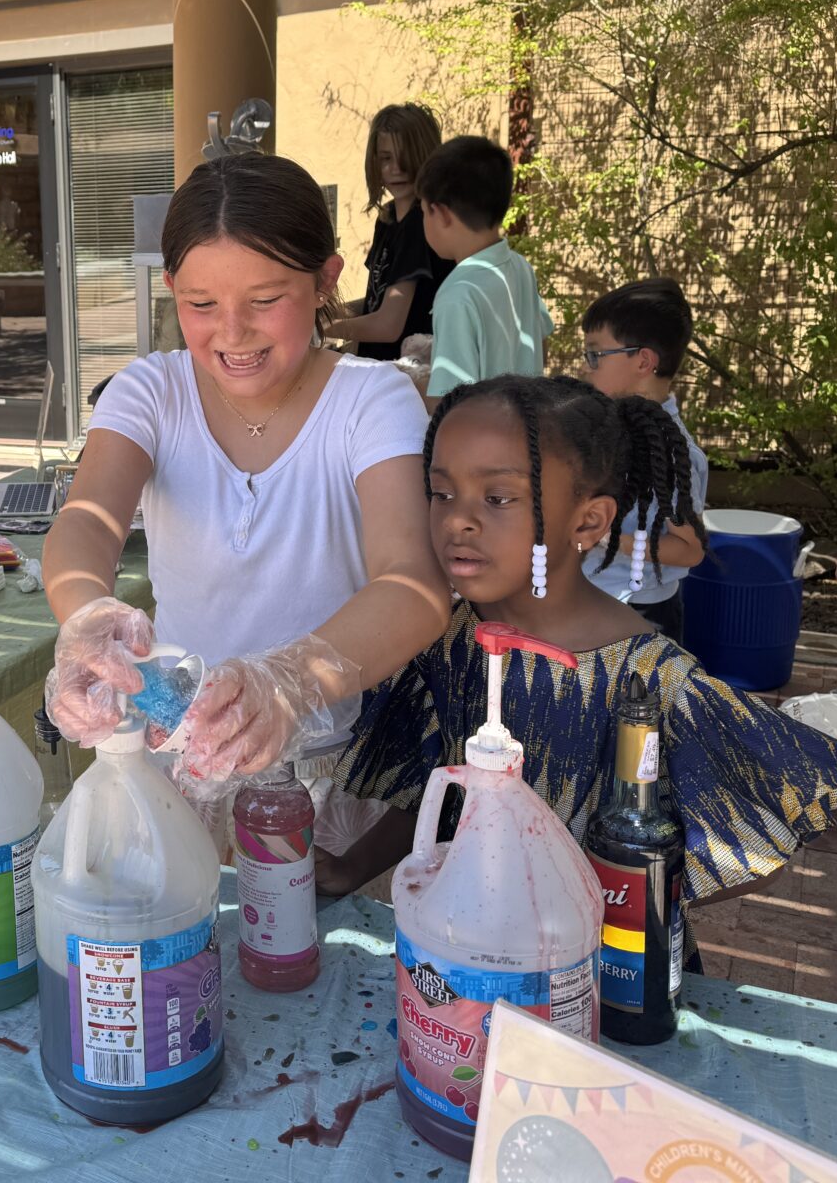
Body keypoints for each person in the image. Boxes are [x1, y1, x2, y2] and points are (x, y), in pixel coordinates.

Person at [314, 376, 837, 912]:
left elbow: (747, 849)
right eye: (441, 492)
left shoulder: (649, 681)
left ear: (588, 521)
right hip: (465, 961)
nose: (458, 519)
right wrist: (347, 869)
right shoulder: (448, 646)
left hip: (600, 987)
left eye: (498, 498)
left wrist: (604, 902)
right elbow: (437, 801)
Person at [42, 151, 450, 791]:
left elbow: (415, 587)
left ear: (324, 280)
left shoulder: (370, 400)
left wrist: (287, 682)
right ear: (172, 288)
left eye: (264, 299)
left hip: (326, 759)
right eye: (202, 303)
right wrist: (86, 613)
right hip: (172, 745)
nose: (232, 333)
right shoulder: (152, 392)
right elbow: (88, 520)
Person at [579, 278, 708, 643]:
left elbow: (690, 549)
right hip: (591, 598)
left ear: (644, 361)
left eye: (595, 354)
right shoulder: (607, 424)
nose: (587, 367)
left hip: (642, 615)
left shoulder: (668, 450)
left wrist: (605, 538)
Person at [419, 135, 553, 397]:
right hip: (532, 424)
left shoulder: (456, 295)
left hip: (484, 434)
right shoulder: (520, 267)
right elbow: (541, 343)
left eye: (423, 212)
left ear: (443, 214)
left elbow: (448, 403)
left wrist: (408, 383)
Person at [322, 103, 452, 360]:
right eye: (386, 158)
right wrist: (322, 311)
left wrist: (319, 328)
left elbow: (388, 326)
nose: (396, 168)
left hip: (412, 377)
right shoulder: (388, 218)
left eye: (406, 157)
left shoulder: (421, 223)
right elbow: (376, 303)